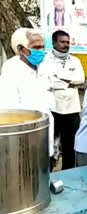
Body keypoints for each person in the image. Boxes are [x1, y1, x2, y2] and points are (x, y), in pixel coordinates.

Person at [0, 28, 55, 170]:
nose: (41, 51)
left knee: (45, 172)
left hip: (45, 130)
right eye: (36, 47)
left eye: (43, 46)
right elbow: (10, 110)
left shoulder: (44, 65)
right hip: (25, 135)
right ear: (21, 49)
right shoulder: (11, 70)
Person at [38, 30, 85, 170]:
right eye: (62, 42)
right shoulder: (45, 60)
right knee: (48, 144)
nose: (66, 45)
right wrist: (69, 82)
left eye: (68, 42)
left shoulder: (75, 60)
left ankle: (68, 176)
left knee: (70, 146)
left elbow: (81, 79)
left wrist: (58, 77)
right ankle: (47, 174)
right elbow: (46, 81)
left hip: (72, 109)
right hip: (53, 108)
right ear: (53, 43)